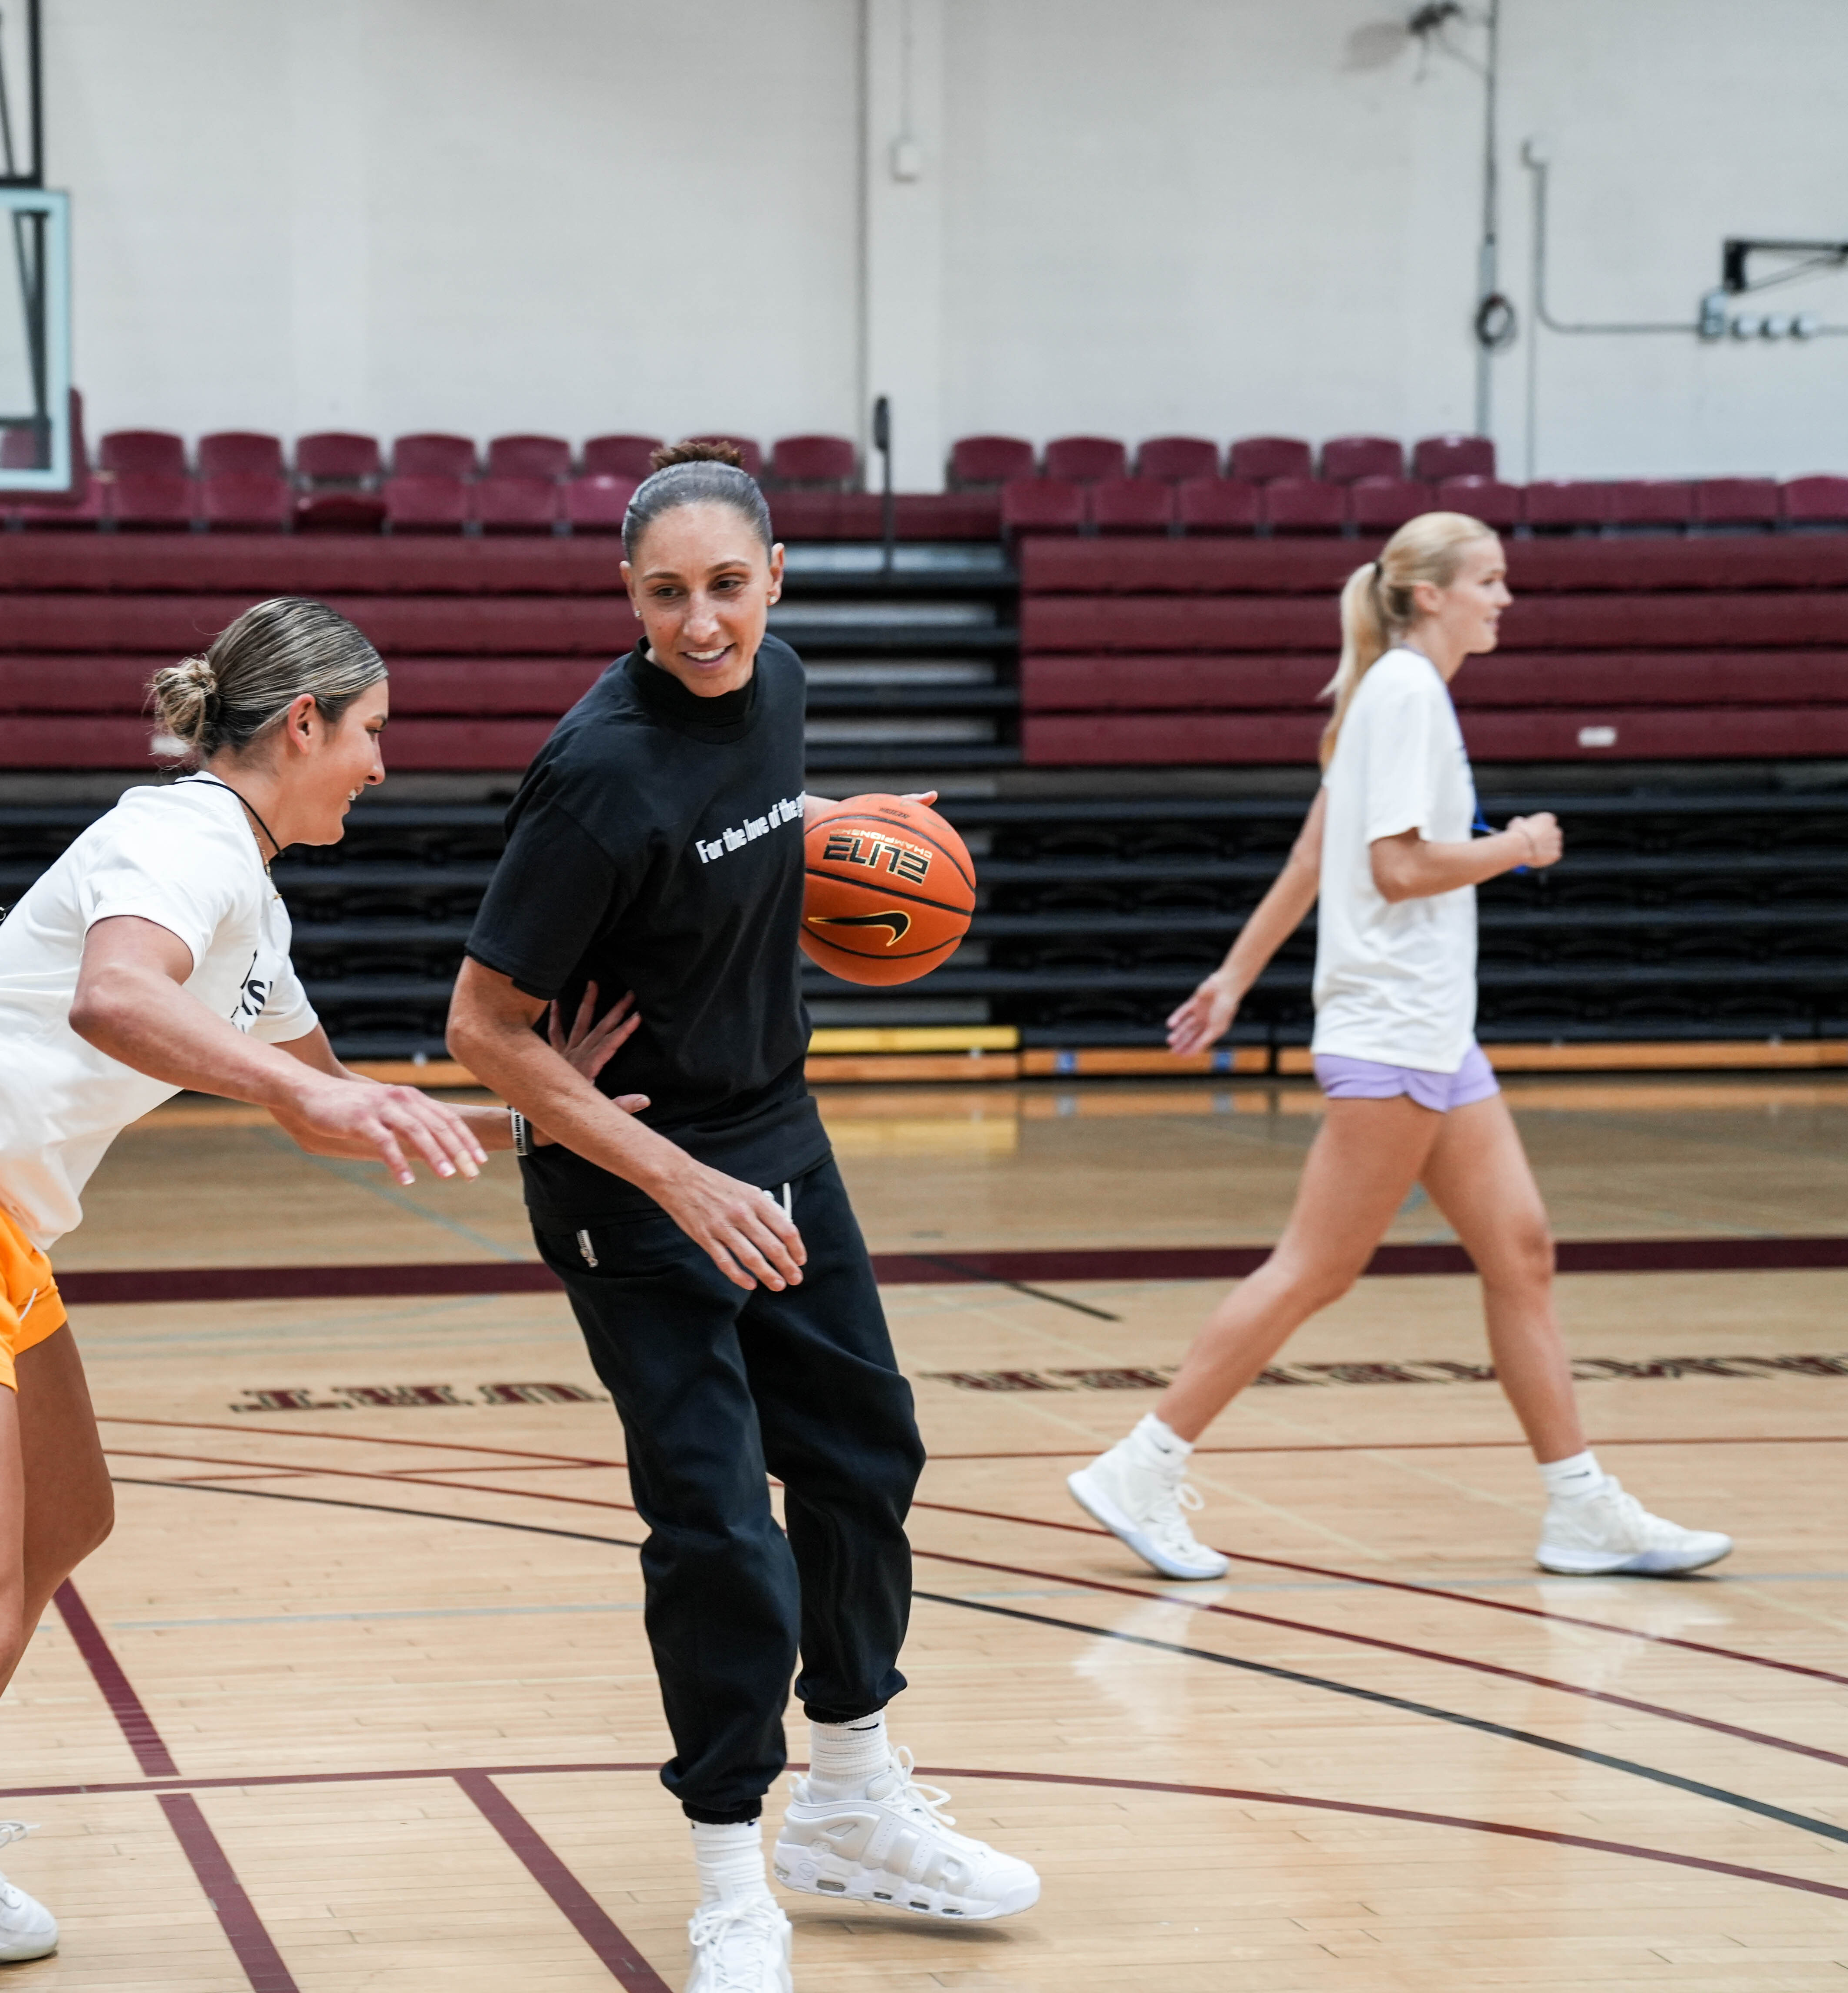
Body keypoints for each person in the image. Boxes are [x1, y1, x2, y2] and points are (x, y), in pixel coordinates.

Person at [0, 597, 644, 1992]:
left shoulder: (249, 898)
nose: (380, 765)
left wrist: (542, 1110)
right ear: (304, 724)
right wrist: (302, 1089)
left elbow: (328, 1103)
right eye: (371, 734)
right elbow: (115, 999)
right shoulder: (180, 837)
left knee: (66, 1518)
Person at [447, 446, 1038, 1993]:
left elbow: (751, 812)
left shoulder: (777, 683)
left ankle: (851, 1796)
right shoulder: (597, 775)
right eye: (666, 594)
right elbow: (479, 1026)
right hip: (636, 1178)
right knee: (717, 1525)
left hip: (779, 1133)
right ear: (626, 595)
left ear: (776, 577)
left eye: (725, 585)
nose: (701, 622)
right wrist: (675, 1178)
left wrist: (855, 829)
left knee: (864, 1457)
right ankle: (730, 1879)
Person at [1065, 511, 1733, 1583]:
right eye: (1489, 580)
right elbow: (1398, 868)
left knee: (1521, 1250)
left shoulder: (1389, 691)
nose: (1504, 598)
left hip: (1434, 1033)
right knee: (1315, 1267)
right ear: (1431, 593)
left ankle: (1579, 1507)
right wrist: (1516, 848)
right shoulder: (1409, 692)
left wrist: (1233, 976)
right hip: (1394, 1028)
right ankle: (1141, 1465)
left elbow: (1312, 855)